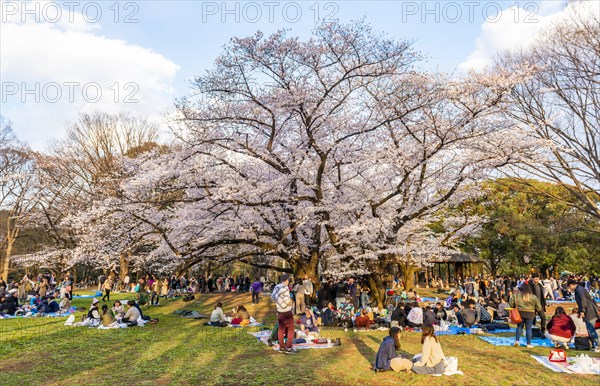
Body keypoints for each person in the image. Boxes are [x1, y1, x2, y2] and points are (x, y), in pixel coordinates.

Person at [567, 279, 600, 352]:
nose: (569, 289)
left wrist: (582, 311)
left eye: (569, 287)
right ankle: (593, 345)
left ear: (571, 285)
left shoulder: (579, 289)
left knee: (591, 329)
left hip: (589, 311)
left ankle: (598, 345)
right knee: (589, 329)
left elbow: (583, 300)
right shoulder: (578, 289)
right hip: (587, 310)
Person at [509, 283, 542, 348]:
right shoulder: (533, 296)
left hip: (520, 313)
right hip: (530, 313)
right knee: (528, 328)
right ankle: (528, 344)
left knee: (519, 327)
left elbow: (511, 303)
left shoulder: (516, 295)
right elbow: (539, 307)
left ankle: (517, 341)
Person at [271, 274, 297, 354]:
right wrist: (290, 303)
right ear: (287, 280)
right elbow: (286, 300)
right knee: (291, 328)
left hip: (279, 311)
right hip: (286, 311)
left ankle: (281, 347)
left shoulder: (276, 287)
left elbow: (272, 297)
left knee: (281, 329)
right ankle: (289, 347)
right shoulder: (285, 288)